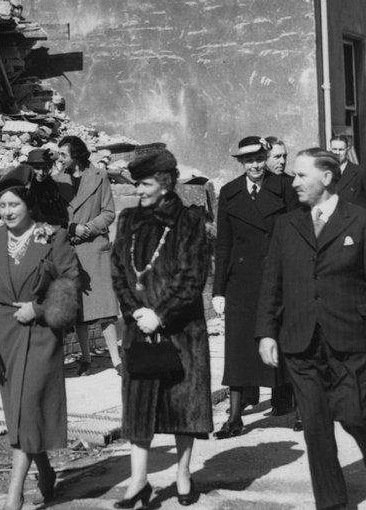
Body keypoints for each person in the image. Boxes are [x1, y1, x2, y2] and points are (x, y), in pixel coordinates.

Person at [256, 148, 366, 510]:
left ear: (326, 178)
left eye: (301, 175)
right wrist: (266, 331)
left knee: (355, 416)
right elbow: (272, 283)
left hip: (349, 337)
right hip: (300, 340)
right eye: (293, 175)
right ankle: (332, 503)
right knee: (316, 428)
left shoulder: (361, 221)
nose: (293, 182)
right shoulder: (286, 223)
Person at [0, 165, 80, 510]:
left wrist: (39, 309)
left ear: (28, 205)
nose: (7, 212)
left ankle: (14, 495)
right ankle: (44, 469)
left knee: (27, 408)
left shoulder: (53, 237)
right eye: (1, 206)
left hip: (41, 337)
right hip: (5, 337)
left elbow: (71, 284)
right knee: (18, 412)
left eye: (13, 205)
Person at [111, 148, 212, 508]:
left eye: (145, 183)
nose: (138, 189)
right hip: (139, 329)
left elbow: (193, 276)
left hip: (182, 330)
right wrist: (137, 312)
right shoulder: (127, 221)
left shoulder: (189, 221)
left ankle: (183, 474)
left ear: (166, 184)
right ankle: (139, 481)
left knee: (184, 406)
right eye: (136, 183)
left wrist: (162, 314)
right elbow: (118, 272)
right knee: (138, 406)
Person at [212, 136, 298, 439]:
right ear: (240, 163)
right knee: (238, 347)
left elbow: (298, 234)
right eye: (248, 161)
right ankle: (235, 417)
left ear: (266, 156)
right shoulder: (229, 192)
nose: (255, 165)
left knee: (287, 341)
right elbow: (223, 245)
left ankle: (299, 408)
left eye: (259, 158)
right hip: (242, 282)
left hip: (279, 278)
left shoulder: (286, 188)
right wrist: (218, 290)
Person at [55, 136, 123, 376]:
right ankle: (85, 358)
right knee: (80, 311)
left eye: (63, 154)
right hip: (71, 250)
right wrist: (74, 229)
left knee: (105, 308)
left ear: (76, 155)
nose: (59, 158)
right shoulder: (57, 181)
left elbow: (109, 212)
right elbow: (57, 217)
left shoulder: (100, 177)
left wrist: (89, 228)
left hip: (95, 248)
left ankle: (116, 360)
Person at [329, 138, 366, 212]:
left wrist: (362, 218)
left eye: (341, 149)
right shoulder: (325, 172)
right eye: (334, 149)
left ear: (347, 150)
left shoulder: (360, 172)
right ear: (330, 149)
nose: (337, 153)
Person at [21, 148, 69, 228]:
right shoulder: (22, 187)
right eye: (37, 168)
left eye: (45, 168)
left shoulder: (52, 186)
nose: (42, 173)